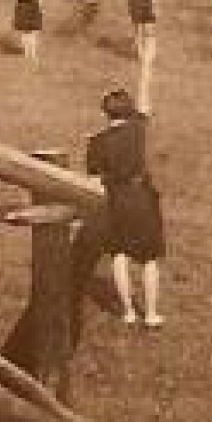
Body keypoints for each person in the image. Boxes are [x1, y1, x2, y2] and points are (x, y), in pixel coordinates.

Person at [85, 87, 165, 327]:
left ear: (105, 113)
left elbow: (93, 181)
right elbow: (145, 110)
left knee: (119, 254)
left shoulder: (96, 142)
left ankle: (128, 312)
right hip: (141, 197)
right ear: (129, 111)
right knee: (149, 257)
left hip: (116, 200)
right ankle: (150, 314)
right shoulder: (136, 130)